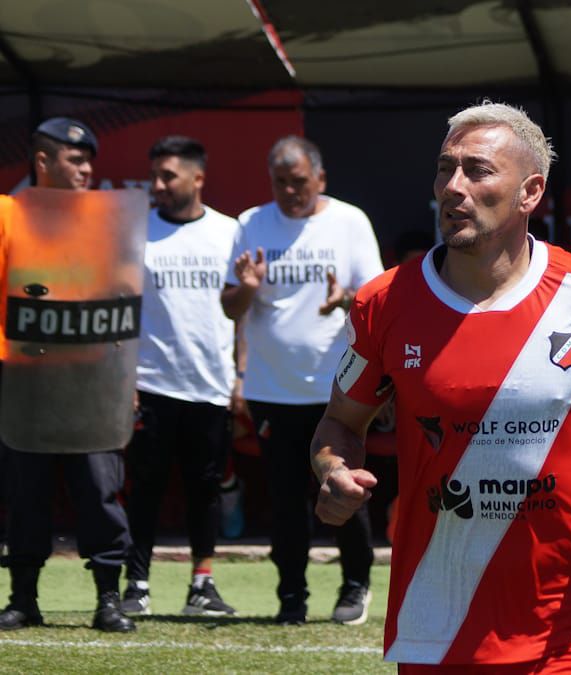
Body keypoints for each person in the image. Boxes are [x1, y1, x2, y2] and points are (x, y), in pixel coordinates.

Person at [310, 101, 571, 672]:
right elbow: (341, 421)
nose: (453, 187)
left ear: (530, 192)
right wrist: (333, 471)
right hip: (439, 615)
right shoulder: (384, 303)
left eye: (478, 170)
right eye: (445, 169)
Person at [220, 135, 384, 626]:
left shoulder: (349, 221)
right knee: (286, 500)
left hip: (338, 394)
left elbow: (377, 301)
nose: (289, 192)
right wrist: (246, 289)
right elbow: (230, 308)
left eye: (298, 182)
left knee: (343, 490)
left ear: (320, 179)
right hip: (272, 391)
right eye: (280, 183)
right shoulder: (251, 223)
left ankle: (355, 588)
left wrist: (344, 299)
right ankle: (291, 596)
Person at [0, 118, 136, 633]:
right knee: (25, 491)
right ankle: (23, 599)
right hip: (24, 382)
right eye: (75, 160)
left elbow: (120, 304)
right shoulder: (8, 215)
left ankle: (109, 600)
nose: (86, 169)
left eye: (88, 160)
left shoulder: (102, 222)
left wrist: (124, 382)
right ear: (42, 161)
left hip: (90, 382)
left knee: (100, 491)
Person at [119, 136, 238, 617]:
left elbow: (242, 312)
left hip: (210, 385)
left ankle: (201, 587)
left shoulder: (231, 232)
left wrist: (241, 374)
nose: (158, 185)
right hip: (150, 383)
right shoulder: (136, 232)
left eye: (168, 176)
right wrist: (123, 378)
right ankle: (137, 586)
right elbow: (123, 312)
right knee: (143, 488)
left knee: (204, 489)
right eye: (154, 176)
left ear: (197, 178)